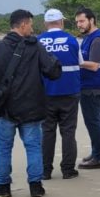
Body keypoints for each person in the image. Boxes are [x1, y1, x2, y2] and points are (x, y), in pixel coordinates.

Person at [0, 9, 62, 197]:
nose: (32, 28)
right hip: (31, 108)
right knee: (33, 147)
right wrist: (55, 59)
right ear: (23, 25)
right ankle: (35, 186)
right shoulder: (35, 47)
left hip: (3, 109)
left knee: (2, 148)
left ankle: (3, 186)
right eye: (30, 24)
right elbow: (53, 71)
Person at [37, 9, 81, 181]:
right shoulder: (71, 40)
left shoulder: (38, 41)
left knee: (47, 131)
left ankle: (45, 170)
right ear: (61, 22)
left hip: (45, 93)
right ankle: (68, 170)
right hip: (69, 92)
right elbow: (80, 62)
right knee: (68, 131)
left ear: (45, 23)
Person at [76, 7, 100, 170]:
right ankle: (97, 151)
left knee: (93, 122)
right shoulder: (88, 37)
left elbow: (95, 65)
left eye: (82, 21)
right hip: (93, 86)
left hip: (94, 87)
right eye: (77, 22)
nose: (79, 25)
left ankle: (99, 157)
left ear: (91, 20)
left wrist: (75, 61)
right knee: (95, 121)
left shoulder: (97, 39)